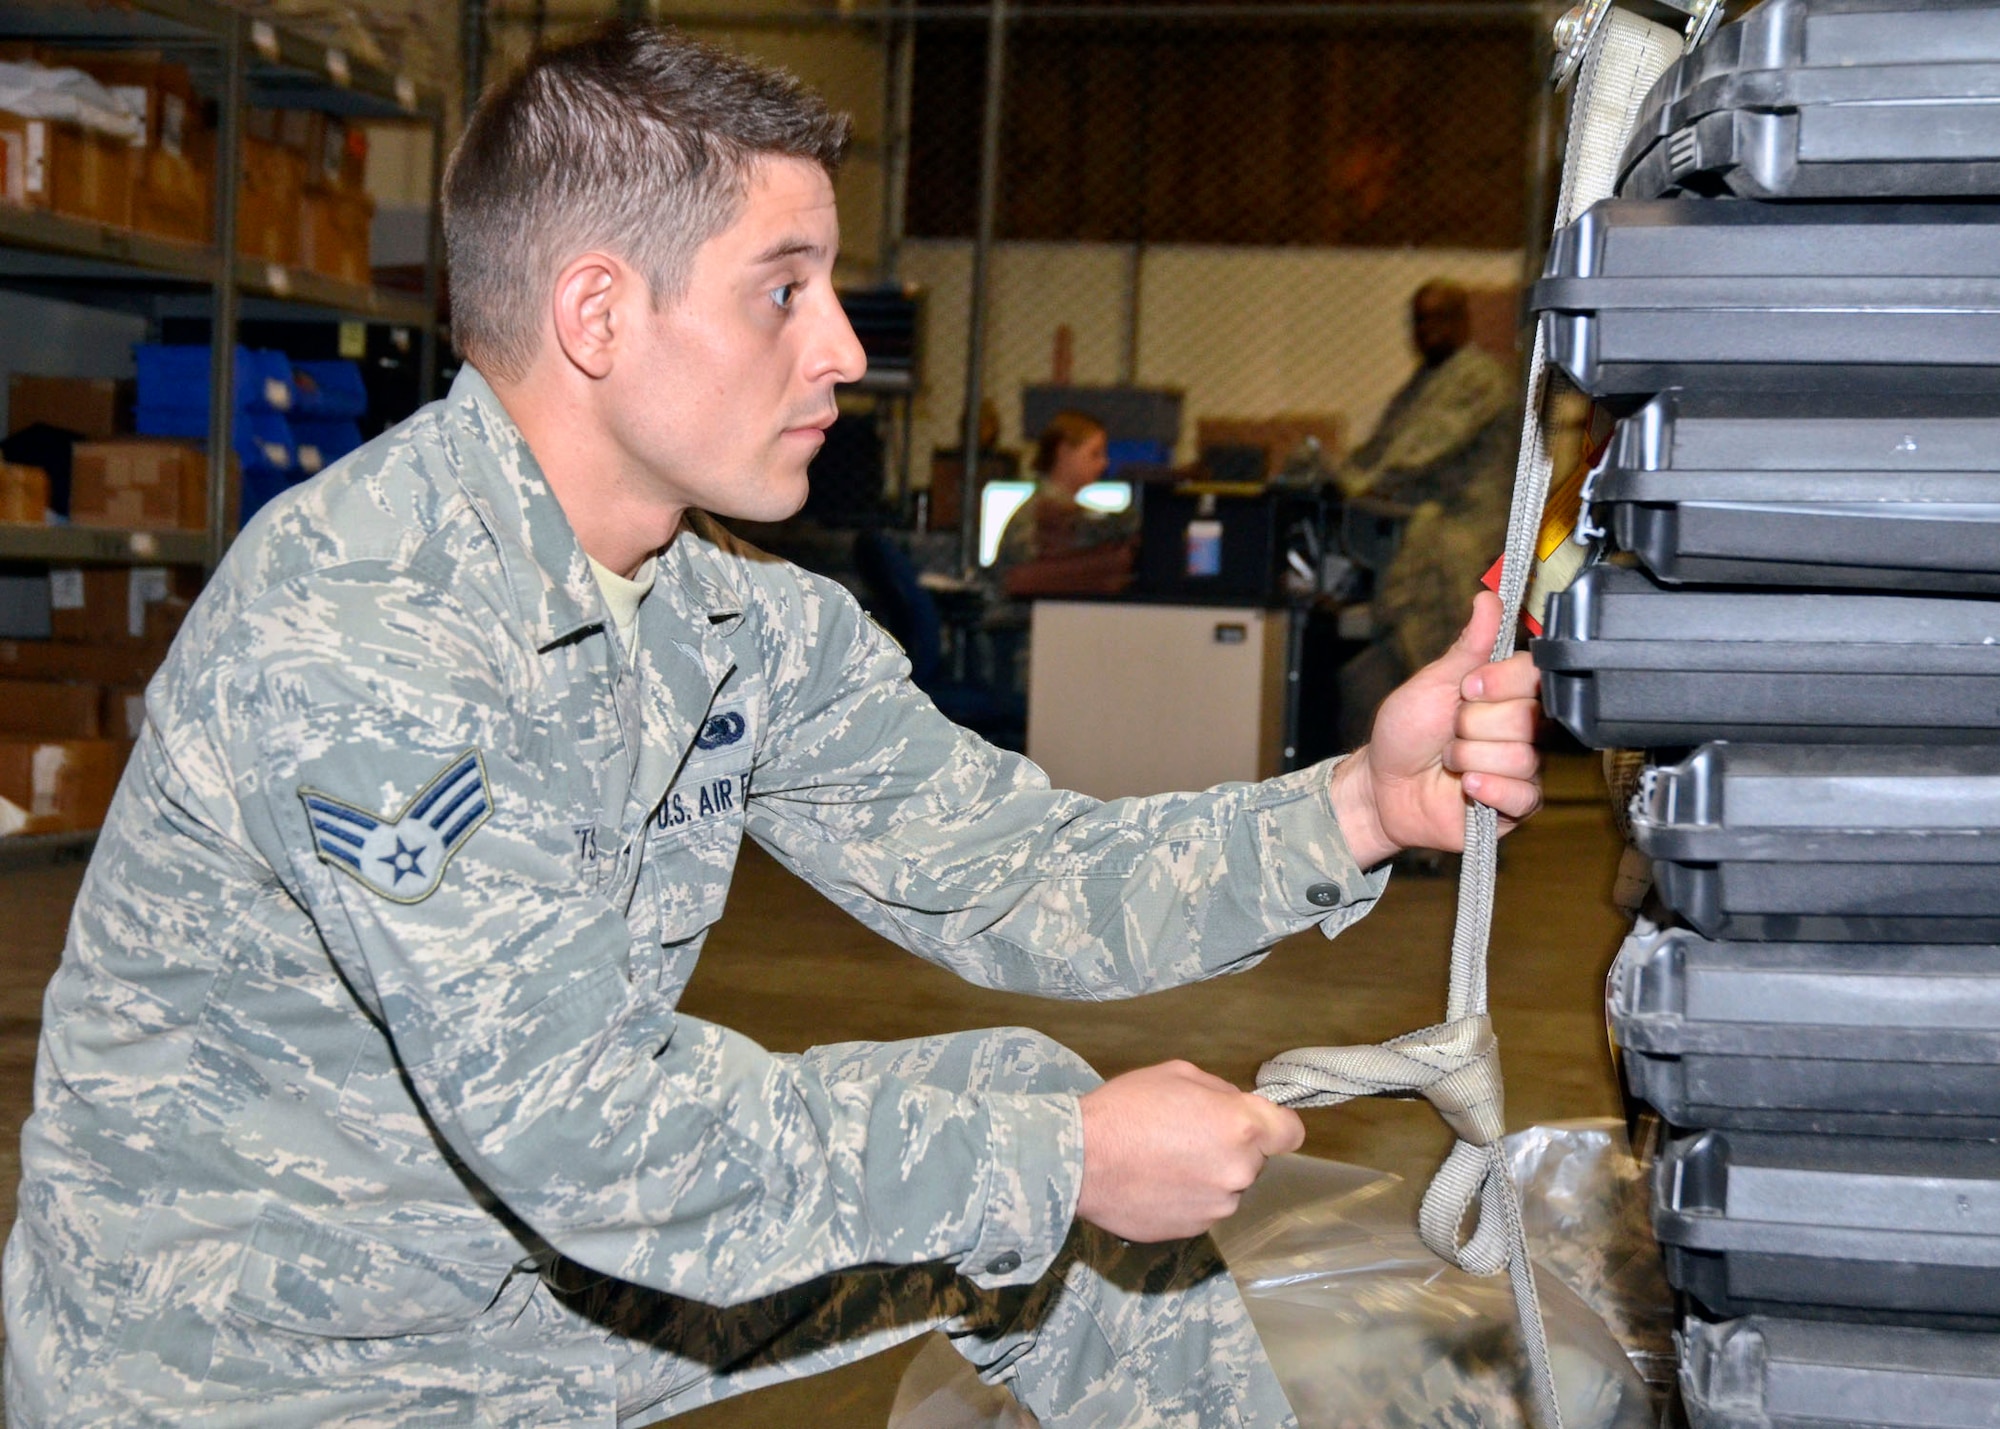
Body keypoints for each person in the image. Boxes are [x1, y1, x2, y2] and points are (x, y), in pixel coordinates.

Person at [3, 29, 1544, 1428]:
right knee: (1037, 1155)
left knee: (1032, 1148)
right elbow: (589, 1133)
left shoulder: (734, 613)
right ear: (598, 312)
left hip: (525, 1289)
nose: (846, 352)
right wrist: (1061, 1157)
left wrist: (1356, 805)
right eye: (783, 289)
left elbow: (1018, 870)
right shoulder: (363, 625)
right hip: (250, 1365)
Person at [1337, 279, 1518, 748]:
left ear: (1462, 321)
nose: (1428, 330)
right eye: (1419, 320)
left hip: (1464, 543)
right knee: (1399, 659)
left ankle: (1460, 768)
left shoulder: (1477, 377)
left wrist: (1353, 481)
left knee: (1443, 661)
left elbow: (1416, 453)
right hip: (1429, 538)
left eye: (1439, 318)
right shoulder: (1427, 380)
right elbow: (1380, 447)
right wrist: (1338, 473)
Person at [990, 409, 1136, 599]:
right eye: (1094, 454)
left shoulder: (1056, 508)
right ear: (1064, 452)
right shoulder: (1042, 511)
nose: (1104, 463)